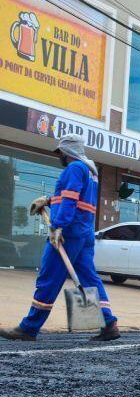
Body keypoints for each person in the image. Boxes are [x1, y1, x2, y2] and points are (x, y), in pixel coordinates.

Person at [1, 134, 119, 341]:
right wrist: (48, 200)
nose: (60, 156)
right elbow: (73, 198)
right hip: (83, 232)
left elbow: (71, 200)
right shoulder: (91, 171)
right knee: (89, 279)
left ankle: (28, 328)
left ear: (67, 152)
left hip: (68, 234)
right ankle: (109, 324)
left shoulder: (74, 168)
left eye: (60, 153)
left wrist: (58, 226)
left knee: (49, 277)